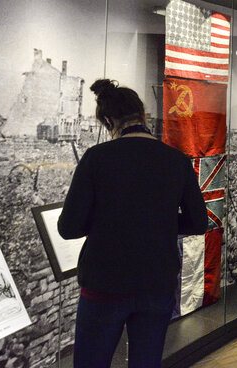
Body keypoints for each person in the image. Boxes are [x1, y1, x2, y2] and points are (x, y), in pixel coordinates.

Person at [58, 79, 207, 368]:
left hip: (104, 281)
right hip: (157, 281)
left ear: (109, 120)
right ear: (144, 117)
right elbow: (198, 222)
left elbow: (68, 227)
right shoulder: (176, 160)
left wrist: (110, 221)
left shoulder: (96, 158)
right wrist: (156, 221)